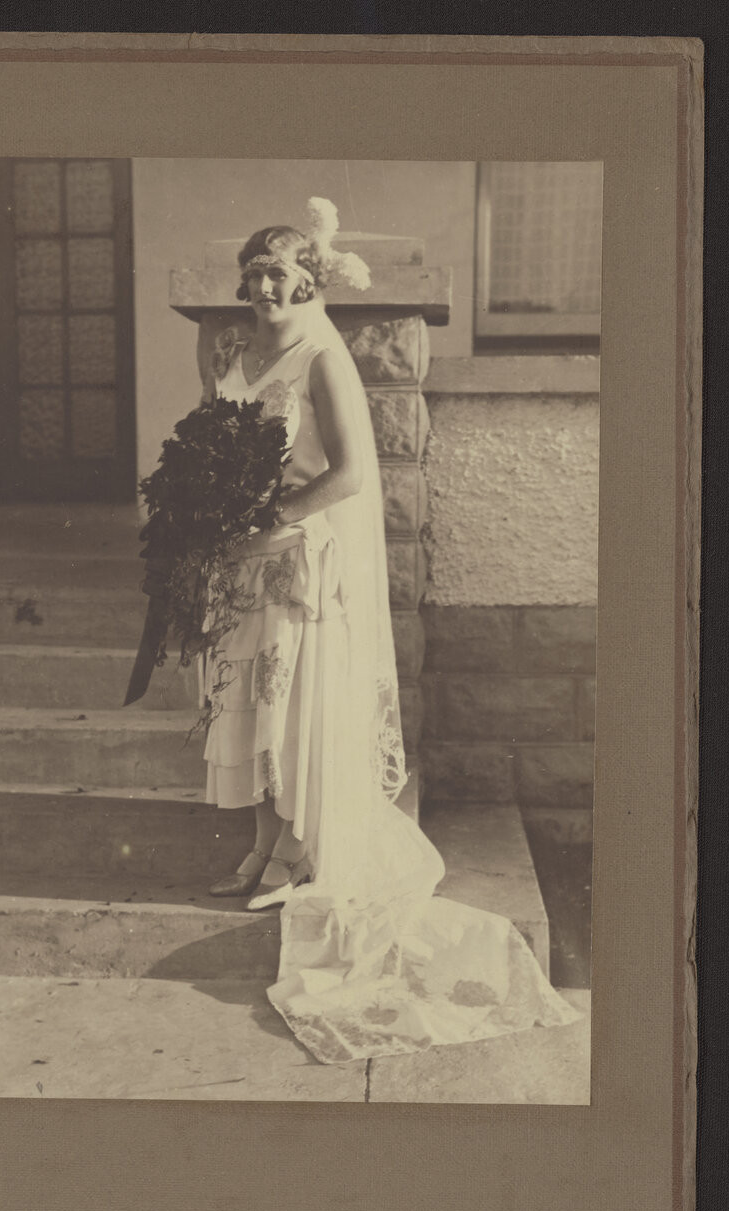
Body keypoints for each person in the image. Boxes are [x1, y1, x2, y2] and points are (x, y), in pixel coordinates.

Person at [198, 201, 582, 1065]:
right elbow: (213, 440)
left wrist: (272, 515)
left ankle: (297, 851)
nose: (264, 284)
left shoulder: (323, 357)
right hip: (244, 556)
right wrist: (210, 509)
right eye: (253, 271)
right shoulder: (236, 352)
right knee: (251, 696)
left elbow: (354, 473)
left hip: (302, 555)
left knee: (290, 697)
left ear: (309, 280)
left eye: (279, 271)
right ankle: (262, 841)